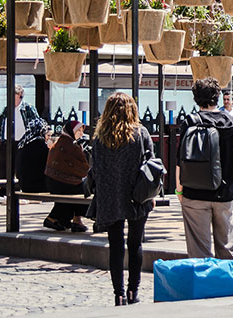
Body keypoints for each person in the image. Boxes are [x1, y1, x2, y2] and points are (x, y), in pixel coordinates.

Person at [88, 92, 154, 306]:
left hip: (109, 196)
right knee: (135, 244)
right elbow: (151, 167)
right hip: (136, 196)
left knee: (115, 245)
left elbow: (95, 169)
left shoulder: (100, 138)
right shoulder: (141, 134)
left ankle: (118, 294)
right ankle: (133, 291)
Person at [177, 78, 233, 260]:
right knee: (226, 247)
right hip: (224, 193)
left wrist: (180, 191)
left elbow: (180, 160)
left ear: (195, 99)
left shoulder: (190, 122)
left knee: (198, 250)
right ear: (218, 97)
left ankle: (202, 286)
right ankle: (227, 286)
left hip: (194, 193)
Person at [43, 119, 92, 232]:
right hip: (62, 183)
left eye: (81, 130)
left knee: (77, 189)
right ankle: (75, 220)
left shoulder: (61, 142)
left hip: (54, 182)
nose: (81, 133)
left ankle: (66, 220)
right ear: (71, 131)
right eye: (78, 130)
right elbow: (82, 167)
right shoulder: (70, 146)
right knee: (84, 190)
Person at [16, 118, 53, 192]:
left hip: (24, 185)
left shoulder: (23, 144)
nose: (49, 138)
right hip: (39, 186)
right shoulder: (41, 145)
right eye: (47, 135)